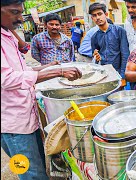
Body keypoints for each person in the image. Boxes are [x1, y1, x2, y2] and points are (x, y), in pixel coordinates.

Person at [1, 1, 82, 179]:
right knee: (30, 172)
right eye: (14, 12)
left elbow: (22, 70)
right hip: (13, 125)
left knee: (37, 163)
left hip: (26, 116)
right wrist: (58, 71)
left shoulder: (7, 35)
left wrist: (48, 68)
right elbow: (6, 79)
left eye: (21, 12)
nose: (20, 18)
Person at [89, 2, 129, 86]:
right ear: (92, 18)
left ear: (106, 14)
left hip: (118, 73)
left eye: (99, 14)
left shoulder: (119, 31)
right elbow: (95, 57)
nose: (97, 17)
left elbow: (125, 54)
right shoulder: (94, 37)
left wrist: (122, 76)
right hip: (104, 75)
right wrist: (97, 56)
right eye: (94, 15)